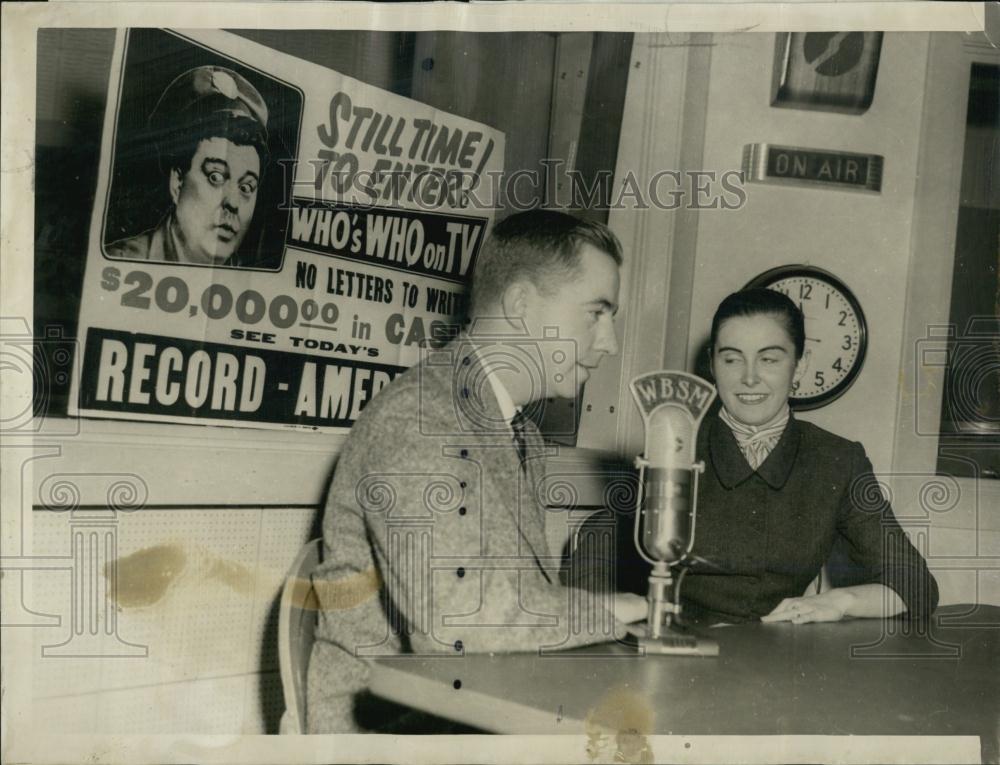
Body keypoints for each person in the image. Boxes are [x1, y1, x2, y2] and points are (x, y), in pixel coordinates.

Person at [306, 210, 648, 733]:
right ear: (521, 306)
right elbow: (460, 624)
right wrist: (609, 611)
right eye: (596, 313)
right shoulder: (419, 420)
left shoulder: (515, 431)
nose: (609, 343)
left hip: (469, 709)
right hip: (391, 735)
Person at [566, 288, 939, 626]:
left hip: (777, 660)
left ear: (801, 366)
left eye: (769, 359)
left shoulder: (838, 460)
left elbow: (915, 583)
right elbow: (601, 536)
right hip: (681, 649)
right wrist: (623, 616)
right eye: (732, 360)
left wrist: (840, 601)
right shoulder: (674, 445)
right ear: (713, 365)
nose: (749, 378)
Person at [106, 66, 268, 267]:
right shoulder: (121, 264)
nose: (233, 203)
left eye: (246, 187)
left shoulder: (244, 278)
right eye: (215, 177)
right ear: (177, 182)